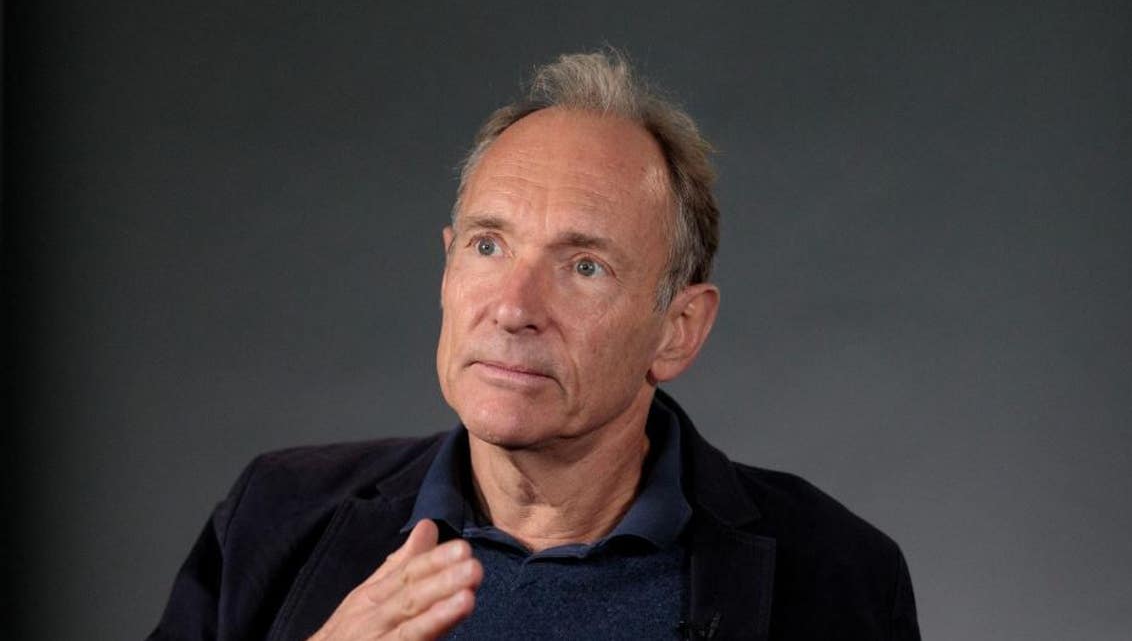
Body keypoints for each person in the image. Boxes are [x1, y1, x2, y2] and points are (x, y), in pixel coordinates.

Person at [150, 50, 920, 641]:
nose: (515, 307)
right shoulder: (276, 515)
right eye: (489, 246)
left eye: (584, 266)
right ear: (447, 266)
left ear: (678, 329)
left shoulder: (838, 574)